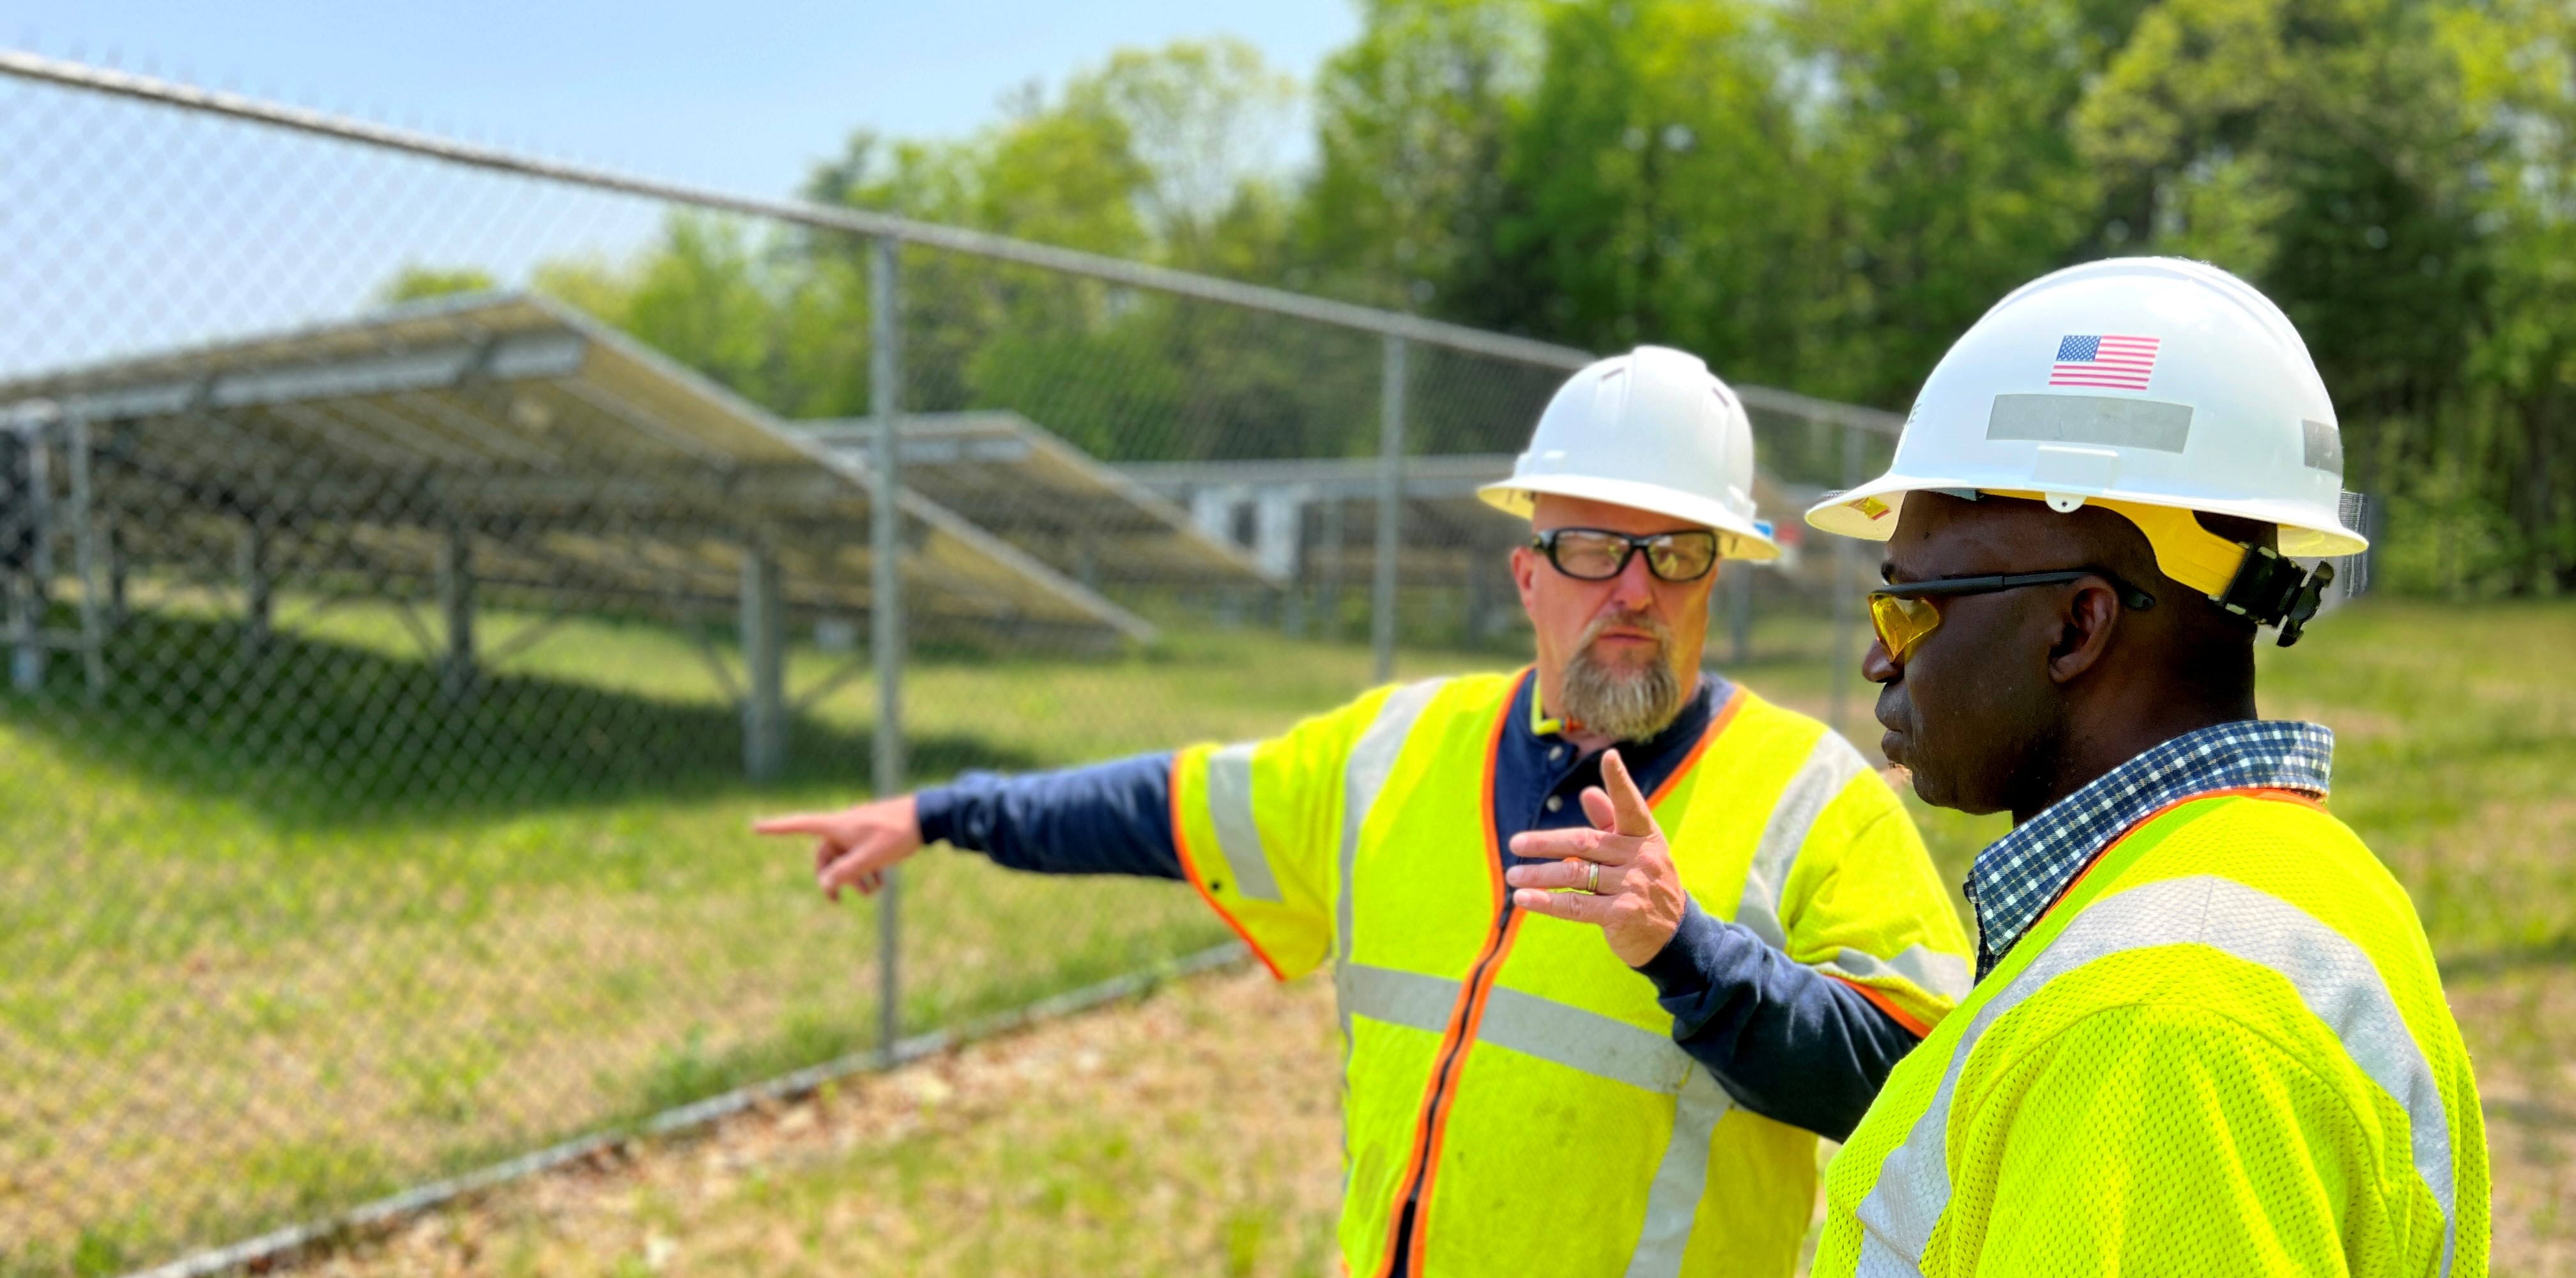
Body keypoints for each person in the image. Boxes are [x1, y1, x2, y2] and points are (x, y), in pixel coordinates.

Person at [757, 346, 1971, 1278]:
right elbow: (1165, 806)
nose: (1635, 591)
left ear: (1725, 574)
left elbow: (1921, 1089)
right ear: (1527, 570)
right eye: (1596, 548)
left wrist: (1691, 952)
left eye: (1679, 553)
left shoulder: (1816, 798)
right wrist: (944, 810)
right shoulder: (1395, 749)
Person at [1800, 257, 2488, 1276]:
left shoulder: (2158, 1014)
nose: (1878, 655)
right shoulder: (2290, 876)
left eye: (1910, 604)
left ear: (2076, 624)